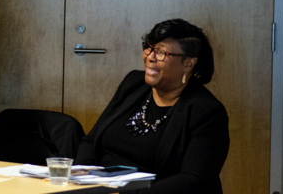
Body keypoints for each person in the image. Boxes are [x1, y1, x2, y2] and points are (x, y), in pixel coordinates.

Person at [75, 19, 229, 194]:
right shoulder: (133, 83)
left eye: (162, 52)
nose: (150, 56)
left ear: (188, 63)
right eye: (149, 47)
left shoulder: (206, 111)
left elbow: (193, 180)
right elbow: (90, 141)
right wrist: (87, 181)